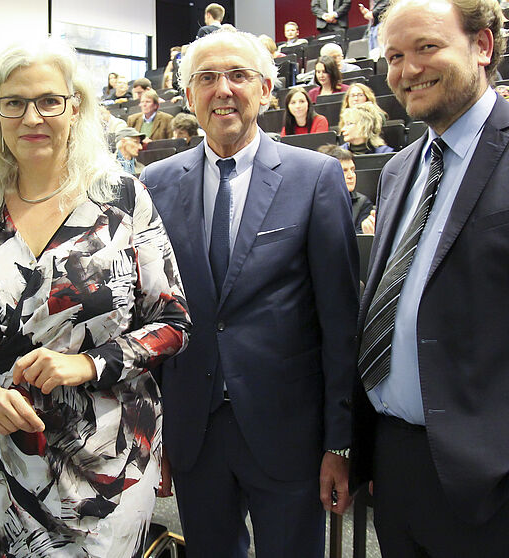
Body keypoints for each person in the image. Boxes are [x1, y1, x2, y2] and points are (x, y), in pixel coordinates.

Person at [353, 0, 509, 556]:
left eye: (426, 47)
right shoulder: (398, 170)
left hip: (508, 482)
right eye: (394, 56)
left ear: (484, 46)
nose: (406, 70)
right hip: (398, 471)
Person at [0, 38, 191, 556]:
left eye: (49, 100)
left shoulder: (123, 199)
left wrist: (88, 365)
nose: (32, 117)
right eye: (14, 103)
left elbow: (175, 322)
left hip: (104, 465)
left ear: (75, 108)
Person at [141, 27, 359, 558]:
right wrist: (158, 436)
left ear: (265, 88)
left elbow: (339, 322)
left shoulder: (316, 177)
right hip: (195, 432)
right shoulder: (154, 182)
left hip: (289, 433)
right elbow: (149, 314)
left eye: (238, 75)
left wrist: (340, 441)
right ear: (188, 94)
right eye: (207, 78)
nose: (223, 89)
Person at [318, 145, 376, 233]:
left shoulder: (363, 203)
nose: (351, 176)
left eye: (352, 170)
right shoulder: (314, 202)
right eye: (344, 170)